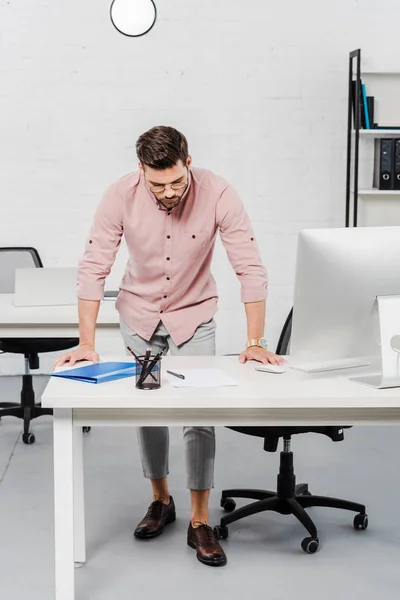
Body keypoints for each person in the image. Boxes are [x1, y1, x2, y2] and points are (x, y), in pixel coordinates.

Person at [55, 125, 286, 567]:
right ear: (140, 169)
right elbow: (93, 267)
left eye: (176, 181)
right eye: (157, 184)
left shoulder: (219, 194)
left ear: (189, 162)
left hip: (193, 317)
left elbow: (250, 268)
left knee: (199, 415)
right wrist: (87, 341)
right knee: (149, 411)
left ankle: (201, 519)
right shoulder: (118, 195)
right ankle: (161, 500)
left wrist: (254, 340)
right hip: (137, 315)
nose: (168, 192)